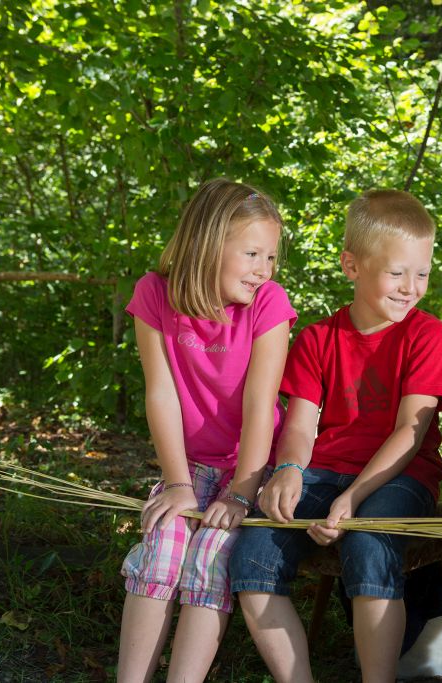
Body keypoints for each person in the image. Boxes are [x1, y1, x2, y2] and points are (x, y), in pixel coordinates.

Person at [229, 189, 442, 683]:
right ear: (351, 266)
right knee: (254, 554)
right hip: (322, 472)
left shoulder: (427, 334)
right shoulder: (316, 339)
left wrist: (353, 498)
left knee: (369, 539)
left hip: (400, 477)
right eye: (397, 273)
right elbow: (301, 426)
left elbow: (409, 435)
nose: (410, 287)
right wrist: (288, 470)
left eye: (422, 273)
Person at [117, 179, 296, 683]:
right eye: (253, 253)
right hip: (190, 465)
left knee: (211, 554)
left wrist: (242, 493)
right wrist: (175, 483)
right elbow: (162, 394)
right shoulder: (154, 294)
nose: (265, 269)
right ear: (209, 243)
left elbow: (262, 403)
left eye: (271, 257)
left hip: (249, 466)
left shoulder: (269, 304)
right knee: (162, 542)